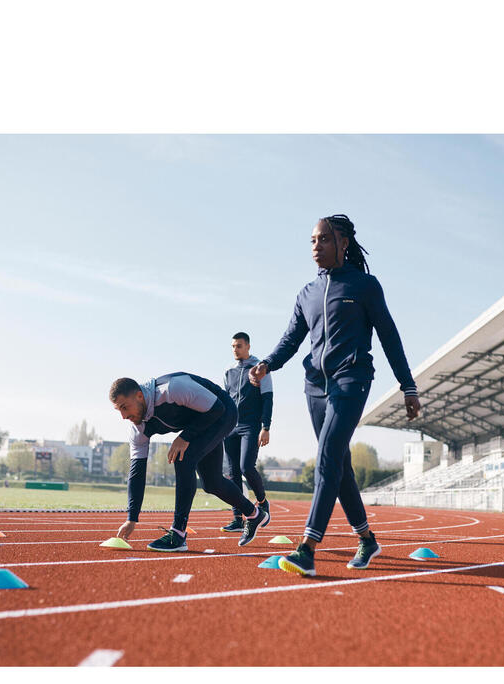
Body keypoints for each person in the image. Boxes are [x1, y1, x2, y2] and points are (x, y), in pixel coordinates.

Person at [249, 214, 420, 576]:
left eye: (324, 239)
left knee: (327, 456)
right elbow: (290, 340)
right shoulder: (306, 294)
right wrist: (266, 363)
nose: (316, 246)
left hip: (351, 379)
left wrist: (408, 386)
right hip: (315, 387)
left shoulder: (365, 286)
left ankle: (307, 547)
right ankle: (367, 539)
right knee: (339, 466)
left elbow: (390, 336)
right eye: (312, 240)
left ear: (343, 242)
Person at [110, 372, 269, 552]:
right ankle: (254, 514)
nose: (123, 416)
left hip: (223, 411)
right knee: (212, 483)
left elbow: (217, 409)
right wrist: (132, 517)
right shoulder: (138, 427)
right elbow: (137, 471)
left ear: (139, 395)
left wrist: (185, 437)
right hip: (200, 420)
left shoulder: (172, 389)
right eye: (119, 410)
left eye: (125, 407)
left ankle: (178, 534)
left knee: (183, 458)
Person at [220, 331, 273, 533]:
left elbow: (268, 398)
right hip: (230, 427)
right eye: (233, 346)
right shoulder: (228, 370)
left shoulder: (260, 369)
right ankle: (237, 518)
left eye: (239, 346)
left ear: (248, 346)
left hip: (251, 425)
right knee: (232, 473)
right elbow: (225, 398)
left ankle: (262, 502)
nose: (235, 349)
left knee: (246, 467)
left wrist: (265, 427)